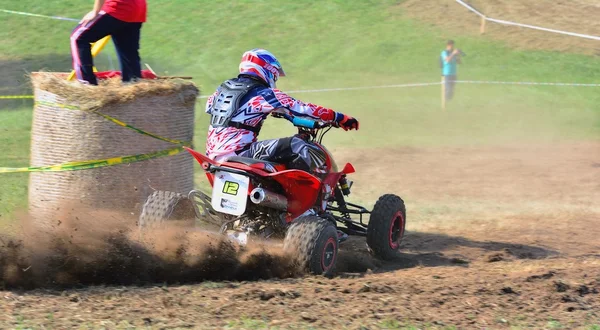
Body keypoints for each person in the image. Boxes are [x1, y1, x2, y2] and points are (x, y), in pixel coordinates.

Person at [204, 48, 359, 173]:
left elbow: (221, 111)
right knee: (299, 144)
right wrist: (339, 117)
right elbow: (302, 109)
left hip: (212, 157)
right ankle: (305, 206)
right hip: (241, 154)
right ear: (267, 70)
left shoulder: (221, 90)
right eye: (274, 75)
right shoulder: (265, 94)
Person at [70, 0, 147, 85]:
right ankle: (133, 82)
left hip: (118, 7)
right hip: (138, 9)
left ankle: (86, 83)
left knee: (78, 37)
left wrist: (95, 11)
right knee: (127, 50)